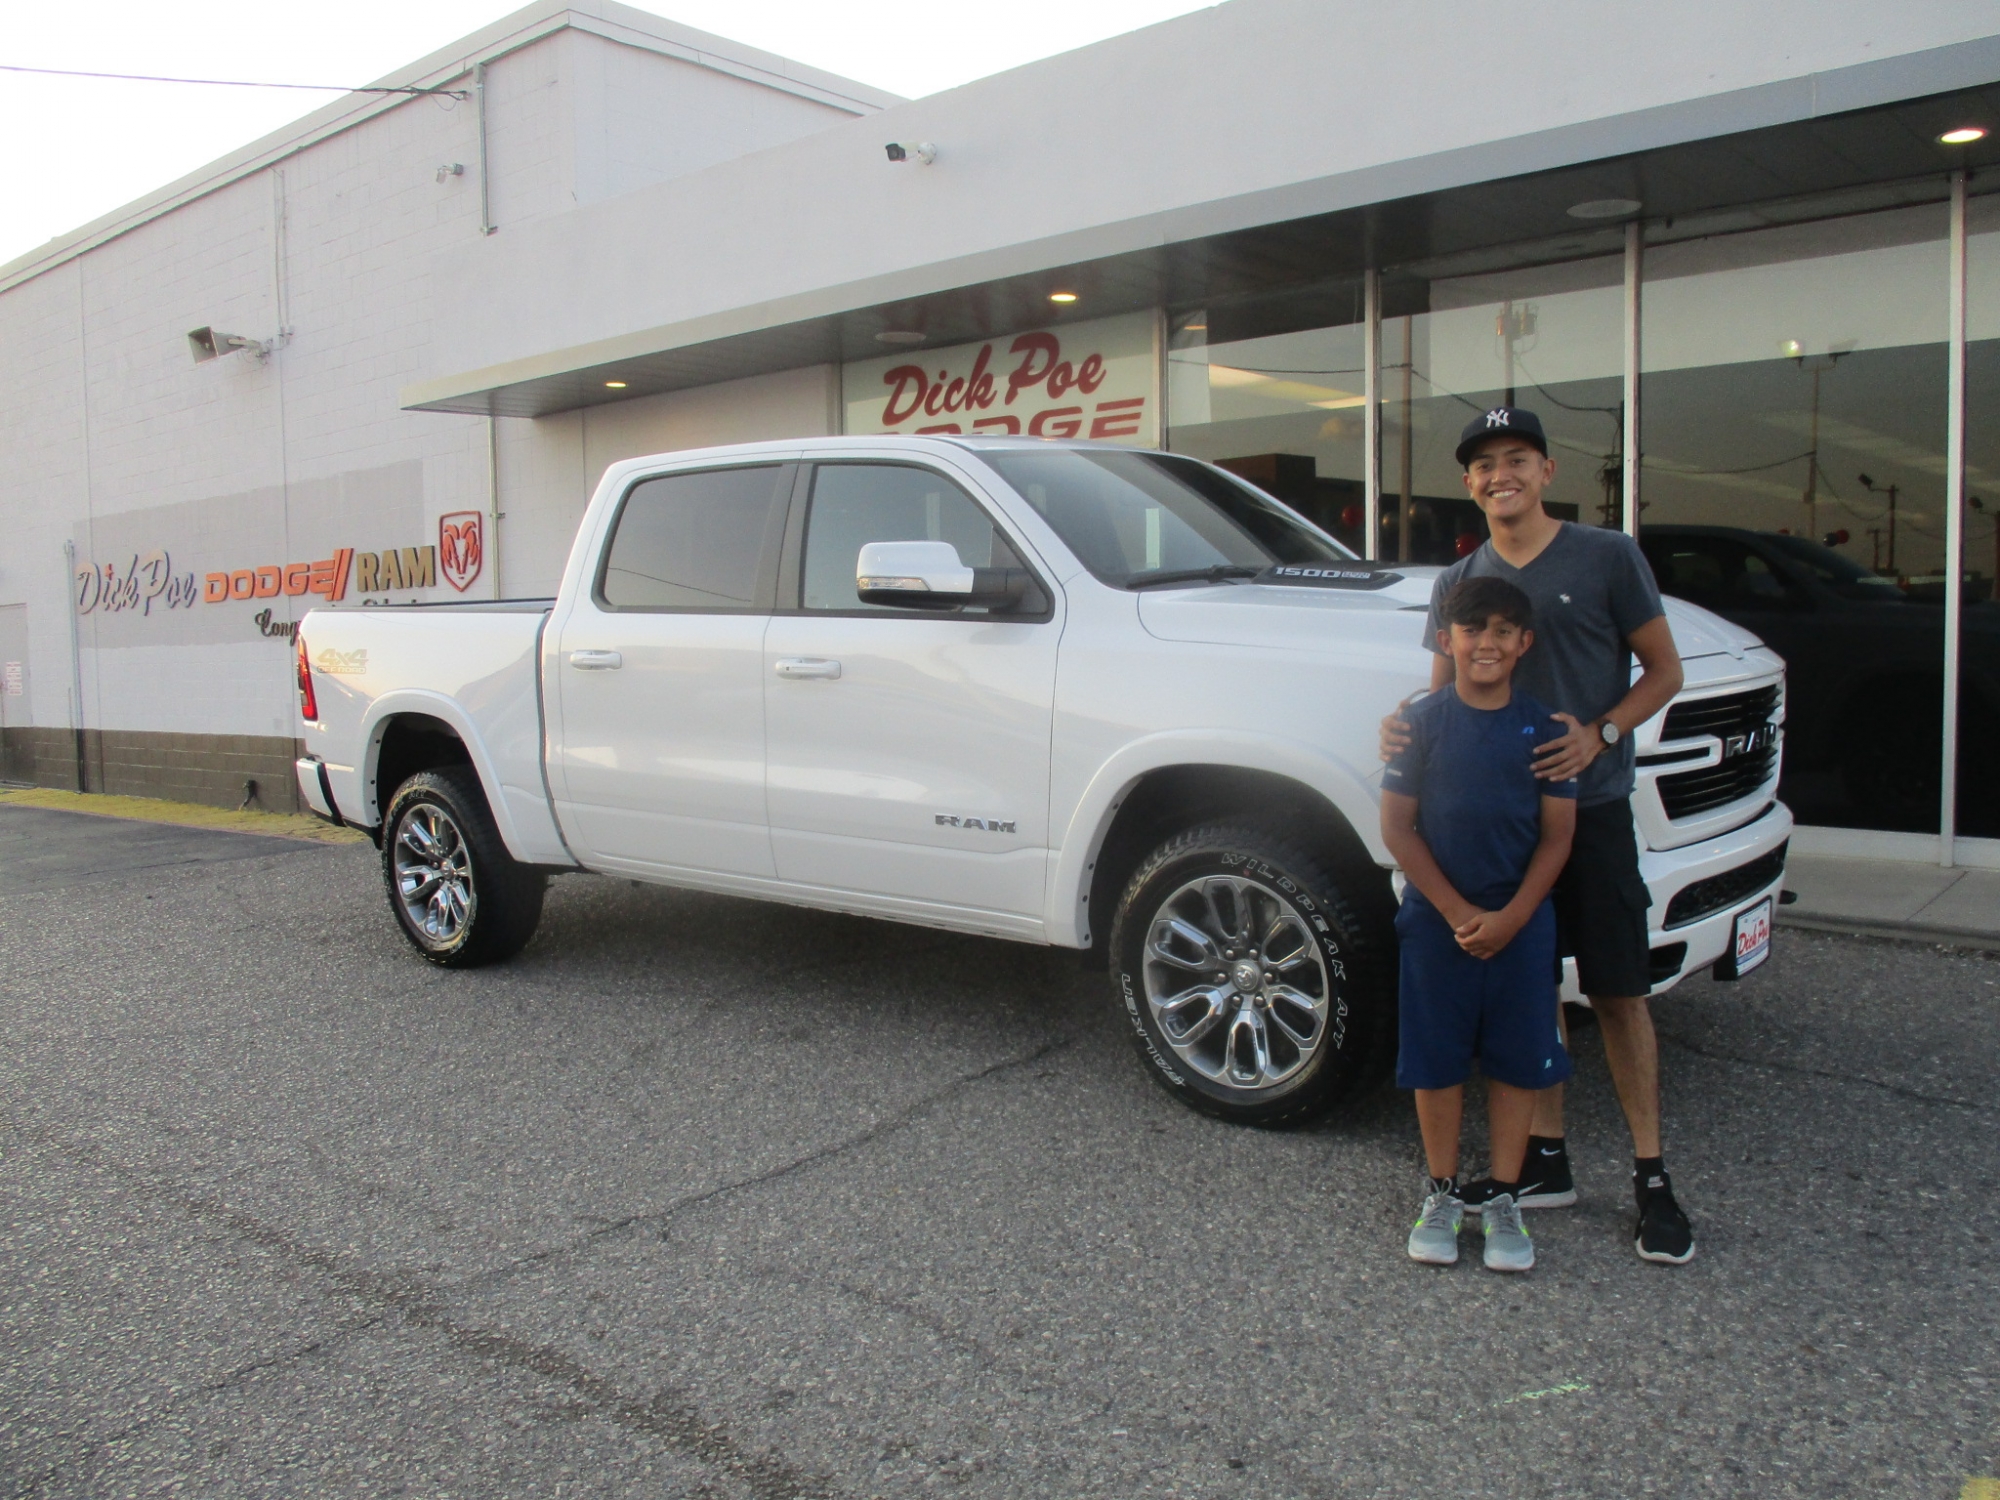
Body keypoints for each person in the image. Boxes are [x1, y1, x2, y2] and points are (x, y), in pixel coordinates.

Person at [1380, 406, 1696, 1266]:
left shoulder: (1606, 556)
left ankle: (1652, 1178)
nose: (1501, 475)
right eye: (1484, 464)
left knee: (1618, 990)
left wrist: (1601, 732)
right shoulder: (1461, 579)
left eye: (1516, 458)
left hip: (1588, 810)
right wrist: (1401, 728)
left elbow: (1665, 670)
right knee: (1531, 983)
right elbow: (1439, 692)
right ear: (1469, 482)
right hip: (1493, 828)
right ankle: (1544, 1159)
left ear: (1547, 471)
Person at [1382, 575, 1576, 1273]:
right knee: (1436, 1060)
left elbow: (1557, 837)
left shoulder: (1547, 730)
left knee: (1518, 1061)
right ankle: (1440, 1192)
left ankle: (1502, 1195)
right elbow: (1397, 829)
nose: (1485, 644)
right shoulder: (1419, 724)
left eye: (1501, 631)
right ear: (1446, 640)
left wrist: (1512, 918)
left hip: (1521, 924)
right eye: (1471, 630)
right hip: (1438, 922)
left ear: (1524, 643)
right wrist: (1459, 912)